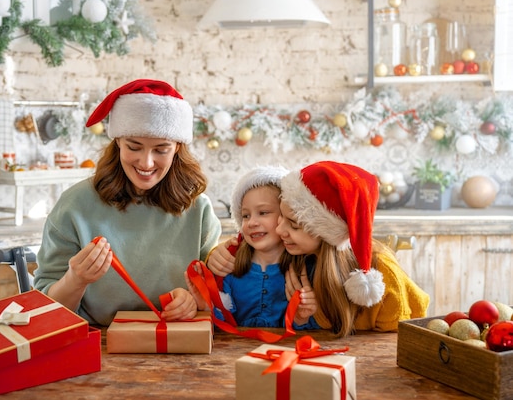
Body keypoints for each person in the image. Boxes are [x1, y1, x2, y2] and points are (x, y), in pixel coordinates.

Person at [33, 79, 222, 327]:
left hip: (177, 342)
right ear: (118, 141)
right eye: (134, 147)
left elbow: (217, 301)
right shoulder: (74, 206)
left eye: (161, 150)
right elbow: (47, 313)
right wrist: (75, 279)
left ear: (177, 148)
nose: (146, 163)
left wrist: (194, 302)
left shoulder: (198, 210)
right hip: (98, 343)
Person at [208, 160, 430, 337]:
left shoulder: (381, 270)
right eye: (282, 217)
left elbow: (399, 337)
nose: (281, 229)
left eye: (293, 225)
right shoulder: (302, 259)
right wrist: (215, 256)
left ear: (326, 234)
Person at [189, 166, 317, 329]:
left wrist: (301, 317)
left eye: (263, 212)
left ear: (285, 215)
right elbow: (220, 324)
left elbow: (317, 330)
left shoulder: (306, 269)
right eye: (245, 215)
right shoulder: (230, 265)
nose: (252, 222)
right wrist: (206, 305)